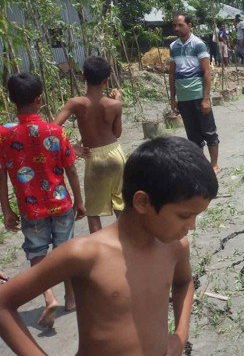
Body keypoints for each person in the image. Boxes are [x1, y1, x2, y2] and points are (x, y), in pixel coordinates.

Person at [0, 136, 218, 355]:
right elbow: (3, 303)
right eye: (184, 216)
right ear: (142, 202)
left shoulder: (175, 247)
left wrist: (180, 336)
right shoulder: (85, 255)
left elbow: (183, 281)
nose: (191, 226)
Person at [0, 73, 85, 328]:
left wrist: (6, 210)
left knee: (37, 253)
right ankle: (70, 298)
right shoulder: (55, 131)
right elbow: (70, 169)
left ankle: (49, 296)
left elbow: (1, 175)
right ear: (39, 99)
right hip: (60, 203)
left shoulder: (3, 134)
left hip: (30, 207)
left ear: (11, 100)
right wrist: (79, 201)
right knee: (64, 252)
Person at [53, 57, 124, 234]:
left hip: (93, 158)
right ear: (106, 80)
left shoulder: (76, 103)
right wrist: (118, 100)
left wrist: (71, 147)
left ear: (83, 77)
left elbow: (52, 129)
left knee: (93, 212)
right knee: (121, 205)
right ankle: (126, 244)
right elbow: (117, 134)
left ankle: (97, 251)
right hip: (115, 153)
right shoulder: (114, 104)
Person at [169, 13, 220, 173]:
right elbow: (172, 73)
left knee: (209, 131)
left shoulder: (198, 44)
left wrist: (206, 98)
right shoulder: (173, 47)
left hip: (198, 94)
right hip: (183, 97)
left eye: (180, 25)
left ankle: (214, 164)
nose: (177, 28)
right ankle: (201, 165)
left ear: (189, 25)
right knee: (192, 135)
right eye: (175, 25)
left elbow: (206, 72)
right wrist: (173, 98)